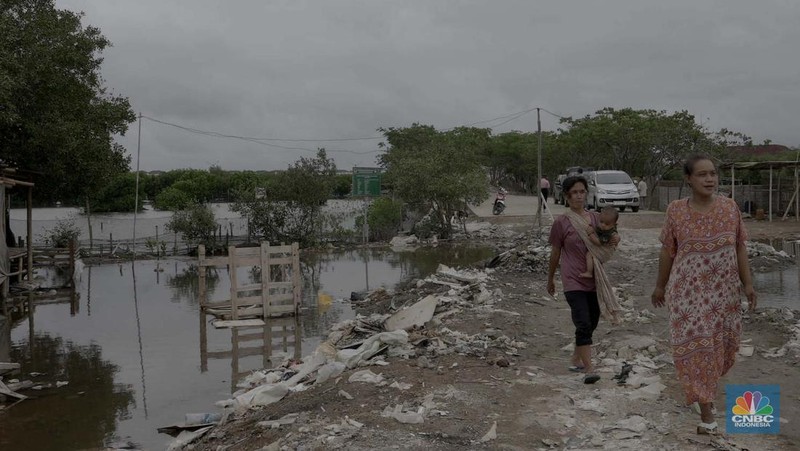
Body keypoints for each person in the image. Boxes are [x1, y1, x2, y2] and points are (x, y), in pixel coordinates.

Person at [650, 154, 757, 435]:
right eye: (702, 174)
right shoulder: (675, 210)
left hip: (724, 295)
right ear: (688, 179)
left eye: (712, 174)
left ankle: (703, 395)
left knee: (724, 348)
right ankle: (707, 416)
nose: (710, 179)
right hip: (688, 295)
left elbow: (740, 247)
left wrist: (748, 284)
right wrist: (660, 286)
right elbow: (667, 251)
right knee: (700, 351)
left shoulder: (730, 208)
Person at [547, 176, 621, 384]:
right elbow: (555, 252)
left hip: (594, 279)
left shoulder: (597, 218)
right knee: (583, 322)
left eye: (582, 192)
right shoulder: (562, 222)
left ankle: (576, 356)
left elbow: (610, 236)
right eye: (574, 193)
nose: (579, 196)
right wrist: (550, 278)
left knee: (593, 320)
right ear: (567, 196)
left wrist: (615, 239)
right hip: (573, 279)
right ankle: (589, 368)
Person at [579, 206, 619, 279]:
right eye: (601, 222)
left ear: (613, 224)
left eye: (607, 224)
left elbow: (598, 242)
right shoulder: (605, 227)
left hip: (604, 251)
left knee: (589, 255)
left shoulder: (609, 233)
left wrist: (590, 234)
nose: (603, 225)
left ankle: (589, 272)